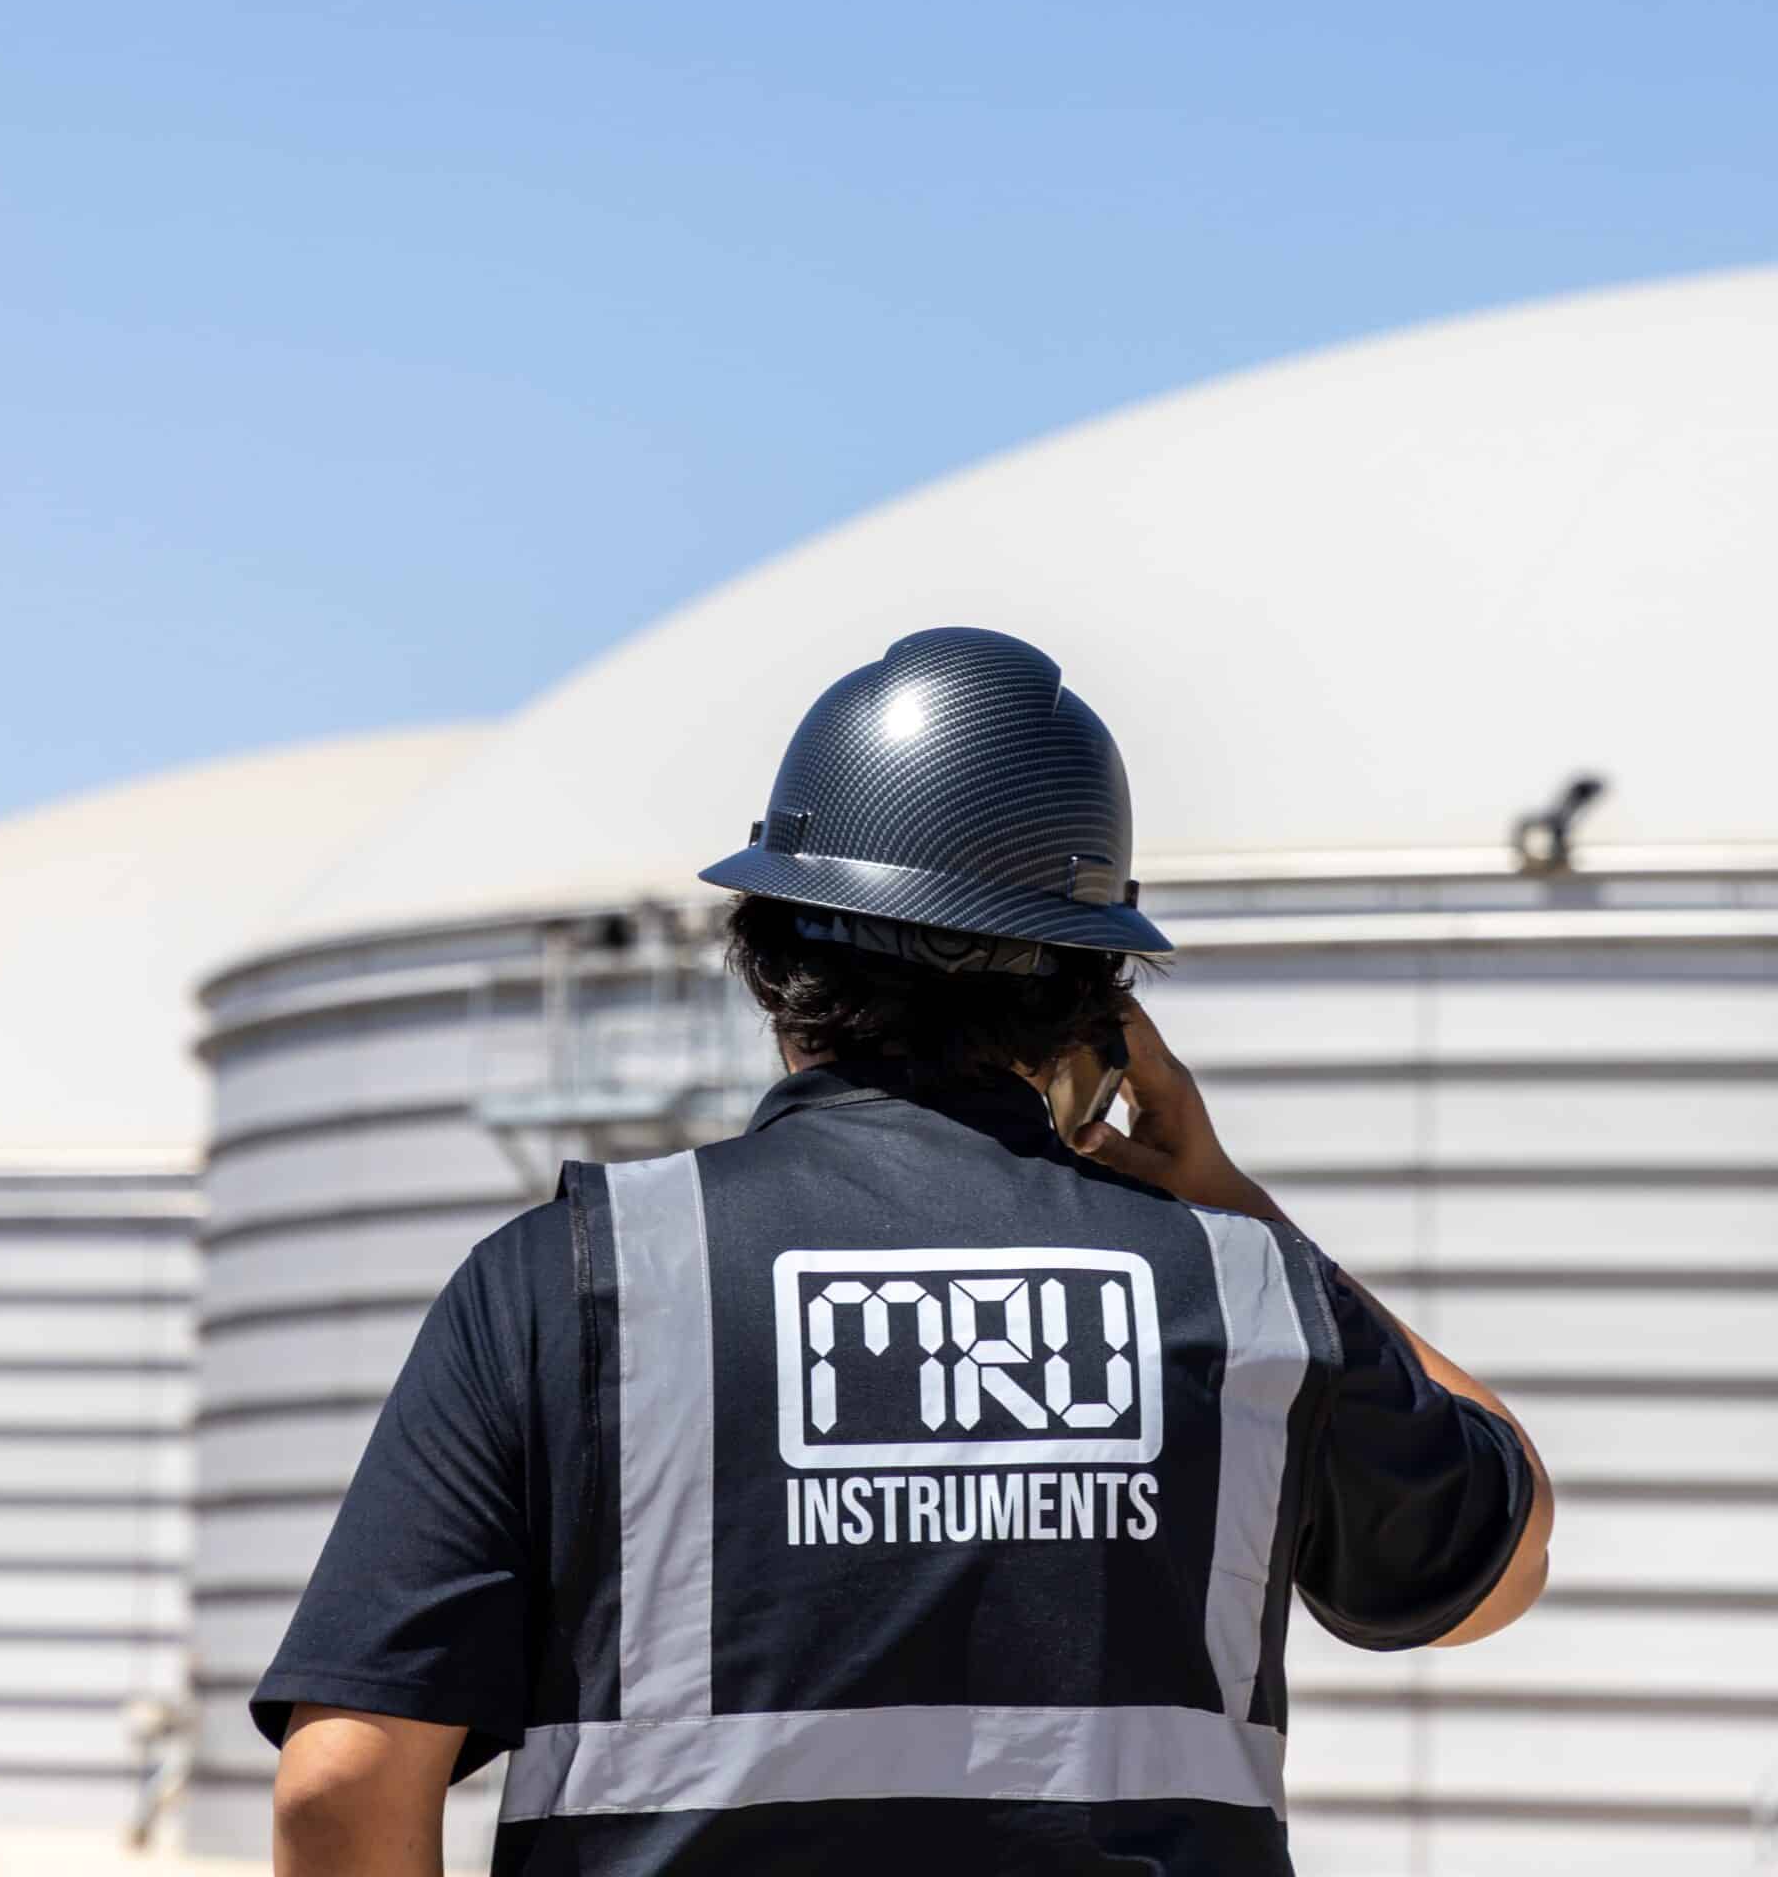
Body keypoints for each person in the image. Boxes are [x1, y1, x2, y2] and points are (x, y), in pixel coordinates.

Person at [256, 627, 1552, 1876]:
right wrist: (1231, 1202)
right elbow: (1499, 1566)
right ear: (1100, 1002)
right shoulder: (1238, 1287)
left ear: (768, 960)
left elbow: (343, 1782)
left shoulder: (573, 1277)